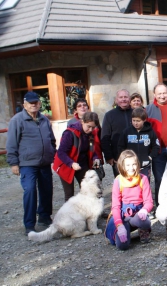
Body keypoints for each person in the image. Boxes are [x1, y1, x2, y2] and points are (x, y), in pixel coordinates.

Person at [6, 91, 56, 235]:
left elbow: (51, 140)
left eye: (36, 102)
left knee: (47, 190)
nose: (34, 105)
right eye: (30, 103)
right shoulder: (17, 120)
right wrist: (13, 163)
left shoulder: (44, 120)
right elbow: (11, 143)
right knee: (29, 191)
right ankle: (29, 224)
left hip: (45, 162)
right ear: (25, 105)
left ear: (39, 104)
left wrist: (52, 152)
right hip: (27, 163)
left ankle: (45, 217)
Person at [105, 150, 153, 250]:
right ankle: (125, 229)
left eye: (134, 164)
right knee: (122, 246)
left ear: (137, 164)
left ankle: (143, 230)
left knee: (145, 222)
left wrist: (144, 210)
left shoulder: (143, 178)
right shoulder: (118, 181)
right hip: (123, 216)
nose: (131, 168)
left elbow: (148, 202)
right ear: (122, 166)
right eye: (128, 165)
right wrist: (119, 225)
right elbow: (116, 206)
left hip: (138, 214)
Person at [53, 112, 102, 202]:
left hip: (82, 163)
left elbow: (92, 149)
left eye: (93, 127)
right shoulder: (69, 133)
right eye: (89, 126)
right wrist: (71, 163)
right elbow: (61, 152)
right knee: (69, 194)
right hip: (66, 165)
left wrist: (95, 158)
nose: (91, 129)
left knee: (89, 189)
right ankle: (68, 215)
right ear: (82, 122)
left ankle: (89, 213)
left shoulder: (90, 134)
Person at [117, 107, 160, 180]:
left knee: (144, 184)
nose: (136, 123)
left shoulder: (150, 132)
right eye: (133, 120)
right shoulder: (126, 132)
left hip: (145, 165)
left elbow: (156, 146)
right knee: (130, 184)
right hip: (130, 166)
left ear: (144, 120)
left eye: (138, 121)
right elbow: (120, 146)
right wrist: (124, 158)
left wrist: (150, 157)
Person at [101, 89, 132, 177]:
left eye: (125, 97)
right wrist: (108, 156)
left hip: (135, 154)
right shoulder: (109, 115)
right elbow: (105, 137)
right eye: (121, 97)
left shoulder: (135, 113)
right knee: (121, 182)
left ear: (129, 99)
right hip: (117, 156)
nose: (123, 99)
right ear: (116, 100)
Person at [66, 98, 104, 167]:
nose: (82, 107)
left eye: (84, 105)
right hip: (81, 157)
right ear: (75, 110)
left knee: (97, 176)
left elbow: (101, 137)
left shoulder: (94, 120)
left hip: (96, 153)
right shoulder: (71, 123)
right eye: (79, 106)